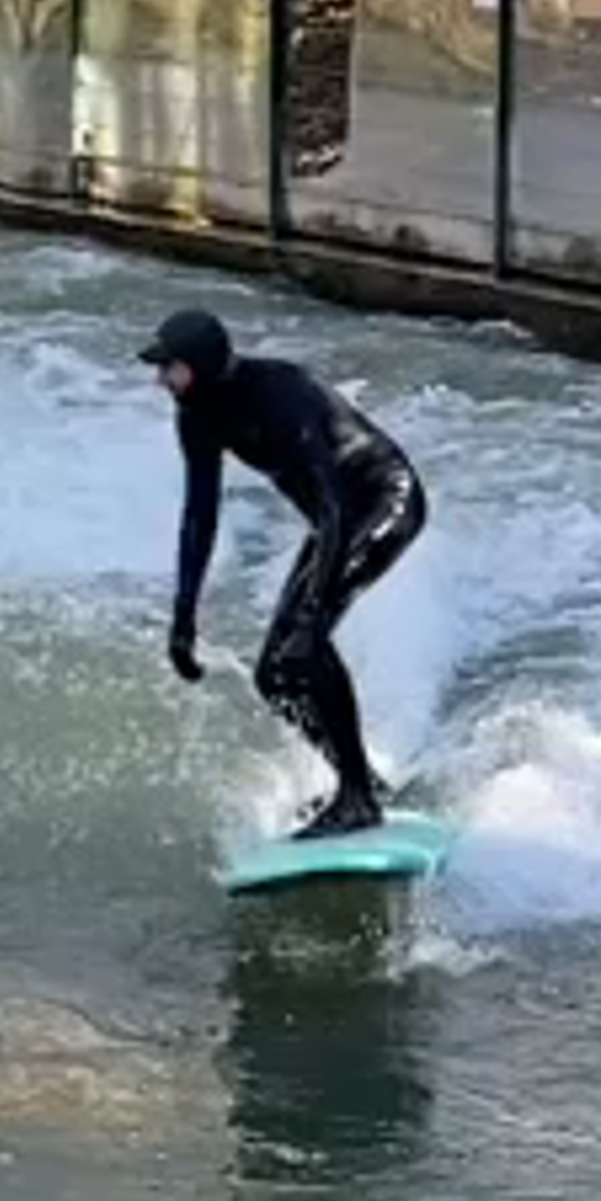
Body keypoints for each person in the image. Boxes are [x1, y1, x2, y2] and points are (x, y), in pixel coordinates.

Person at [146, 306, 427, 845]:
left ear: (201, 365)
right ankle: (361, 781)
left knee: (308, 642)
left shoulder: (279, 393)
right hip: (334, 522)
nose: (161, 379)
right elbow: (199, 516)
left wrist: (315, 609)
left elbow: (330, 506)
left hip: (380, 501)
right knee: (274, 676)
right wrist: (183, 617)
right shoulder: (196, 414)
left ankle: (357, 801)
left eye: (170, 367)